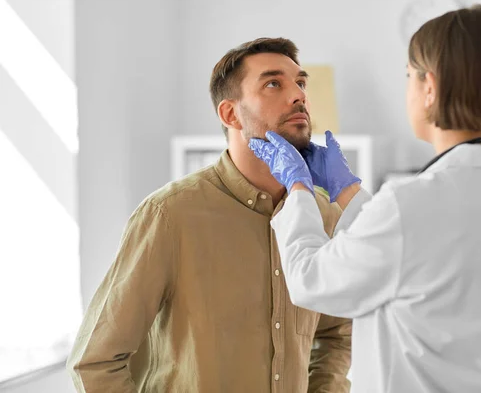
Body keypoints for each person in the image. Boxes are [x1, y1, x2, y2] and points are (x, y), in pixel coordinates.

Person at [250, 5, 481, 393]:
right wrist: (345, 191)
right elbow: (416, 257)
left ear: (430, 87)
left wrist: (297, 188)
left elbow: (313, 281)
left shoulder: (413, 204)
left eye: (408, 76)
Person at [67, 37, 352, 393]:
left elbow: (335, 334)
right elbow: (95, 361)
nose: (298, 95)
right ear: (230, 113)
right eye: (273, 83)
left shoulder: (323, 217)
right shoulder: (170, 216)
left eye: (301, 83)